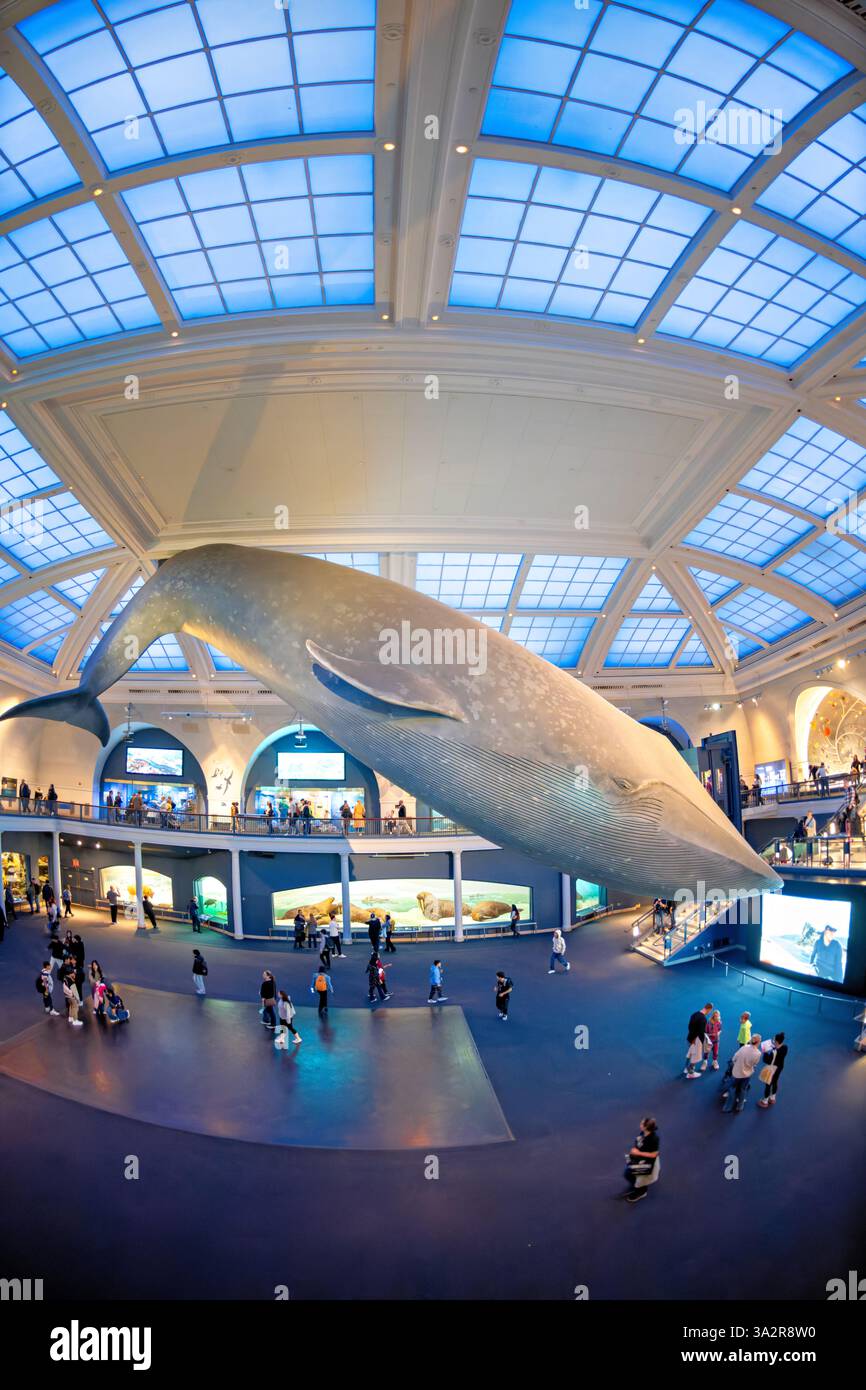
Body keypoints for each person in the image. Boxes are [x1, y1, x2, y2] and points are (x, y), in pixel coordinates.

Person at [620, 1116, 660, 1205]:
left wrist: (638, 1153)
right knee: (628, 1174)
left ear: (646, 1127)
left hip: (646, 1163)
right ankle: (637, 1187)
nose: (640, 1124)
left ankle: (642, 1191)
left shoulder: (654, 1138)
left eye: (642, 1123)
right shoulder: (643, 1132)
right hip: (638, 1158)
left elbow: (654, 1154)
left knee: (639, 1179)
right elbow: (640, 1142)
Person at [724, 1033, 762, 1113]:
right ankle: (740, 1107)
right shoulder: (758, 1053)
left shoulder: (744, 1047)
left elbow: (734, 1058)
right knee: (743, 1089)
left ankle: (727, 1108)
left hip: (736, 1073)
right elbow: (754, 1064)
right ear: (758, 1042)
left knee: (732, 1089)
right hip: (746, 1075)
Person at [757, 1032, 788, 1108]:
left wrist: (765, 1052)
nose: (773, 1041)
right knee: (775, 1081)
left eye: (774, 1040)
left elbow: (766, 1061)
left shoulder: (773, 1052)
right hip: (780, 1067)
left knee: (768, 1084)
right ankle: (772, 1097)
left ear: (777, 1041)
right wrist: (774, 1048)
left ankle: (765, 1101)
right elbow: (778, 1051)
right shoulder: (785, 1047)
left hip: (772, 1069)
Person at [684, 1002, 713, 1077]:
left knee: (690, 1053)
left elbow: (689, 1026)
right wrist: (704, 1042)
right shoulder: (703, 1019)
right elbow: (701, 1032)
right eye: (710, 1011)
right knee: (695, 1056)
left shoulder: (694, 1014)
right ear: (709, 1009)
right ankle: (691, 1073)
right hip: (696, 1040)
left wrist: (691, 1038)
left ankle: (686, 1069)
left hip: (690, 1038)